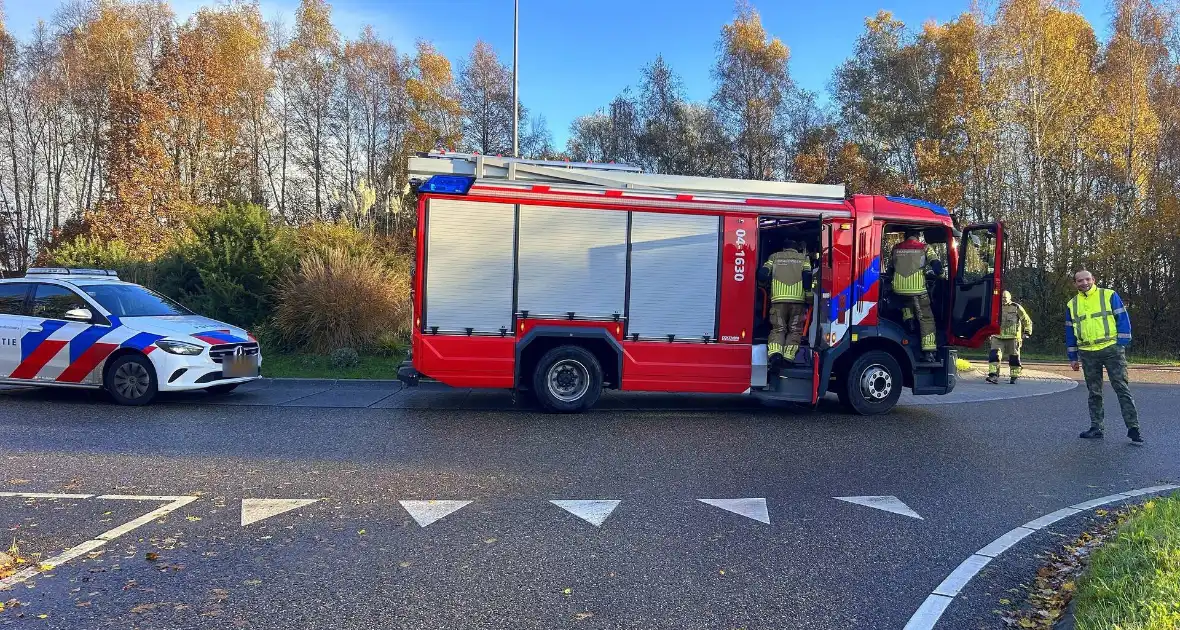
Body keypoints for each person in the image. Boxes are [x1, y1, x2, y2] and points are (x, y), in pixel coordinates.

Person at [1065, 269, 1141, 444]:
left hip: (1111, 350)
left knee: (1121, 388)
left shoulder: (1108, 295)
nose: (1084, 283)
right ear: (1075, 284)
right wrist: (1073, 356)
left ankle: (1133, 428)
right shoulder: (1072, 304)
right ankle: (1096, 427)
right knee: (1094, 392)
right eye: (1079, 281)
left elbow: (1122, 318)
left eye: (1087, 279)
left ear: (1093, 279)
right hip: (1088, 353)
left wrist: (1121, 344)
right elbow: (1070, 331)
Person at [890, 230, 937, 363]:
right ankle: (929, 352)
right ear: (918, 236)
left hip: (899, 289)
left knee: (905, 303)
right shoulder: (925, 248)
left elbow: (890, 269)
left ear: (905, 236)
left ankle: (909, 320)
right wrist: (937, 274)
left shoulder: (896, 248)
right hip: (917, 290)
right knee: (926, 318)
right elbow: (937, 267)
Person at [763, 239, 810, 364]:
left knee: (778, 328)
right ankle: (788, 358)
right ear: (796, 248)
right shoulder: (804, 258)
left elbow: (763, 273)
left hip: (778, 301)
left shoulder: (774, 257)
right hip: (798, 302)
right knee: (795, 329)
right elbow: (807, 277)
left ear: (784, 248)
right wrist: (809, 295)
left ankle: (775, 355)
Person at [987, 290, 1033, 384]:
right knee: (994, 356)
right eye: (1002, 298)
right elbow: (989, 321)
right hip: (997, 336)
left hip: (1013, 337)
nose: (1003, 300)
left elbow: (1026, 320)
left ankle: (1014, 376)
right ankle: (993, 375)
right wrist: (988, 333)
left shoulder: (1016, 307)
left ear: (1010, 298)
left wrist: (1027, 332)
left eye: (1005, 298)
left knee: (1014, 358)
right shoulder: (995, 307)